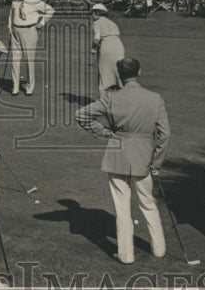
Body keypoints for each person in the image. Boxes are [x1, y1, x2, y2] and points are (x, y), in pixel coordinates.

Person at [75, 57, 169, 264]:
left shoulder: (111, 98)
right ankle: (159, 249)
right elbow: (164, 134)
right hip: (143, 156)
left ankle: (126, 255)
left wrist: (105, 133)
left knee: (122, 207)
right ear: (140, 71)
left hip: (118, 153)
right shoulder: (155, 98)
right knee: (148, 202)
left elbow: (81, 115)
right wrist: (157, 162)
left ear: (119, 75)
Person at [8, 0, 55, 96]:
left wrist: (41, 23)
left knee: (29, 60)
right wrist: (10, 30)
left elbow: (50, 10)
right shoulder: (15, 0)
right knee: (15, 59)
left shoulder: (34, 0)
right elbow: (11, 15)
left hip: (29, 31)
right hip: (15, 31)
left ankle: (30, 87)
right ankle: (15, 86)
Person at [91, 3, 126, 94]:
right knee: (118, 74)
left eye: (93, 12)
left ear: (98, 13)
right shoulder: (112, 22)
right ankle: (121, 102)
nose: (92, 15)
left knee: (104, 76)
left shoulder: (97, 22)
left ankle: (103, 103)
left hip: (107, 46)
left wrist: (93, 49)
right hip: (119, 45)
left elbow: (97, 38)